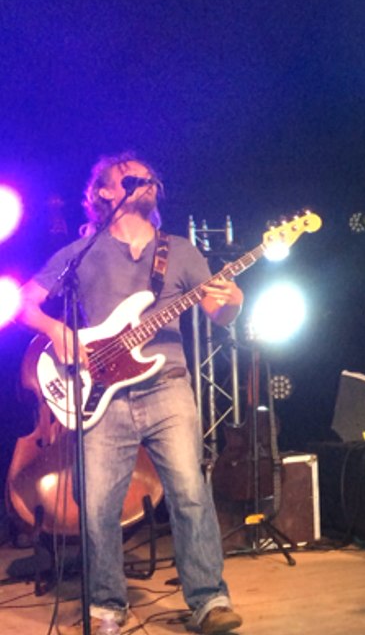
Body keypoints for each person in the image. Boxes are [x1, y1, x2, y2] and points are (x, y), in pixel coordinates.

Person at [19, 153, 244, 634]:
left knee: (188, 492)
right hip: (100, 396)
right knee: (98, 504)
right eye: (130, 174)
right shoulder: (84, 252)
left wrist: (234, 303)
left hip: (167, 388)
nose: (145, 180)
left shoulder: (179, 250)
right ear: (104, 191)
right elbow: (24, 303)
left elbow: (217, 314)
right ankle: (106, 606)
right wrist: (59, 332)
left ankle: (209, 600)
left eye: (148, 175)